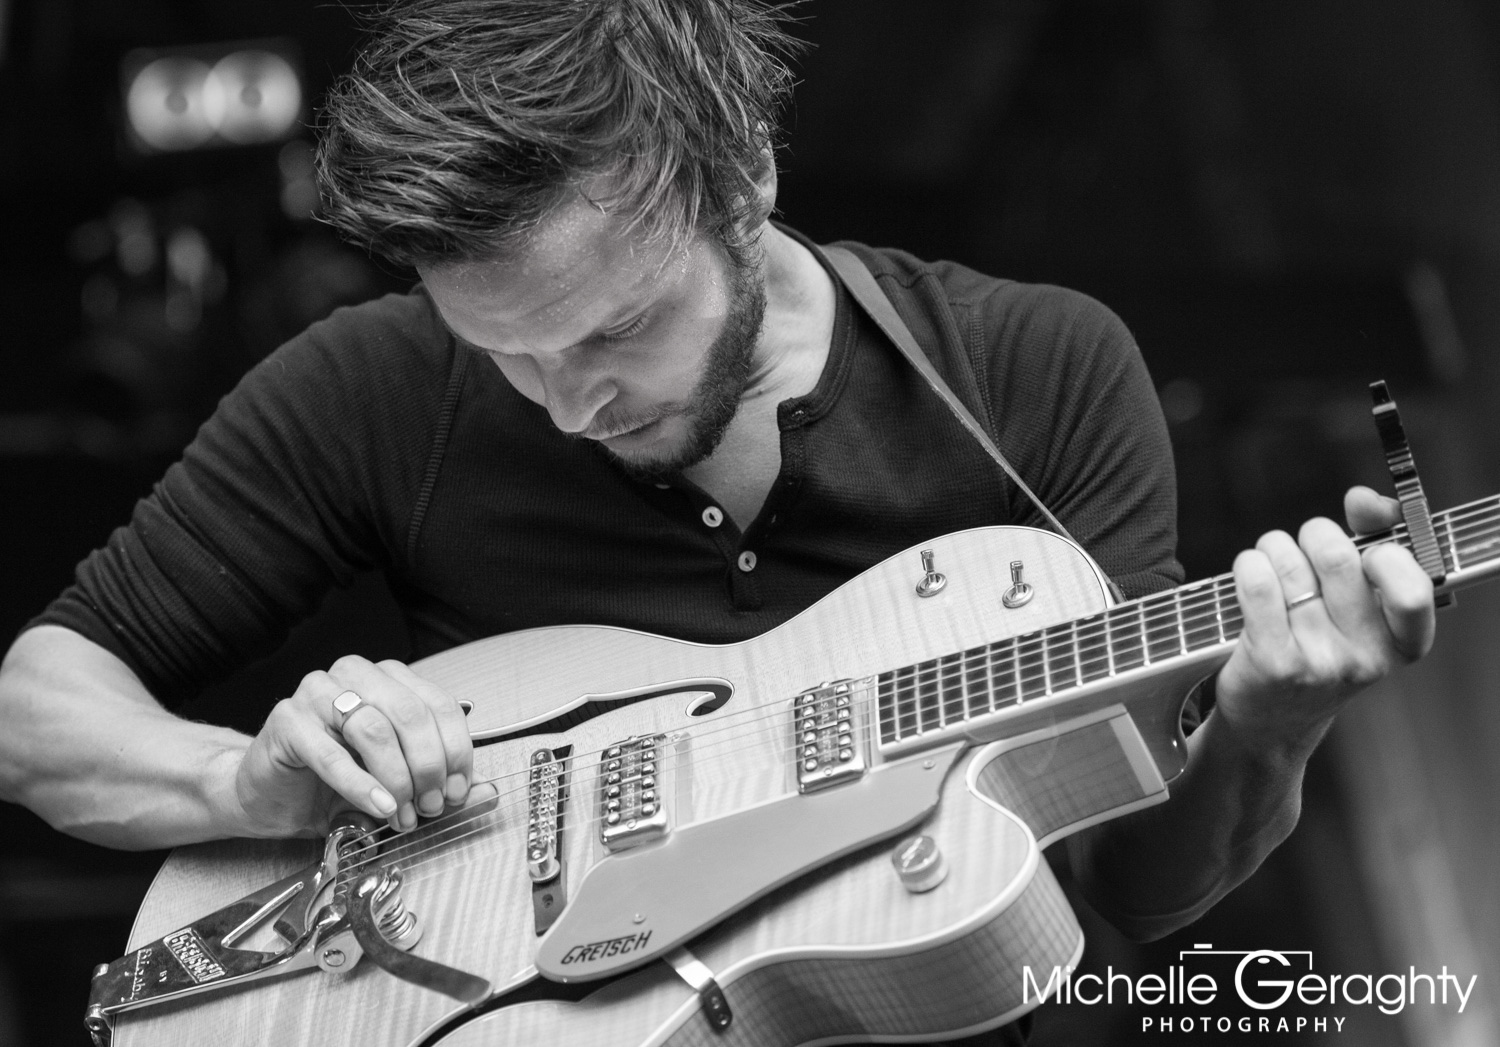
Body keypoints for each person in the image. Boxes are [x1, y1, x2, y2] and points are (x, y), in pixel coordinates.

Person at [0, 1, 1433, 1043]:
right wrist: (238, 786)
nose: (566, 409)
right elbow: (36, 706)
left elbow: (1128, 889)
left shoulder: (1037, 373)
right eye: (509, 356)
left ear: (742, 178)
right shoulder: (372, 386)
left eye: (615, 333)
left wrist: (1267, 720)